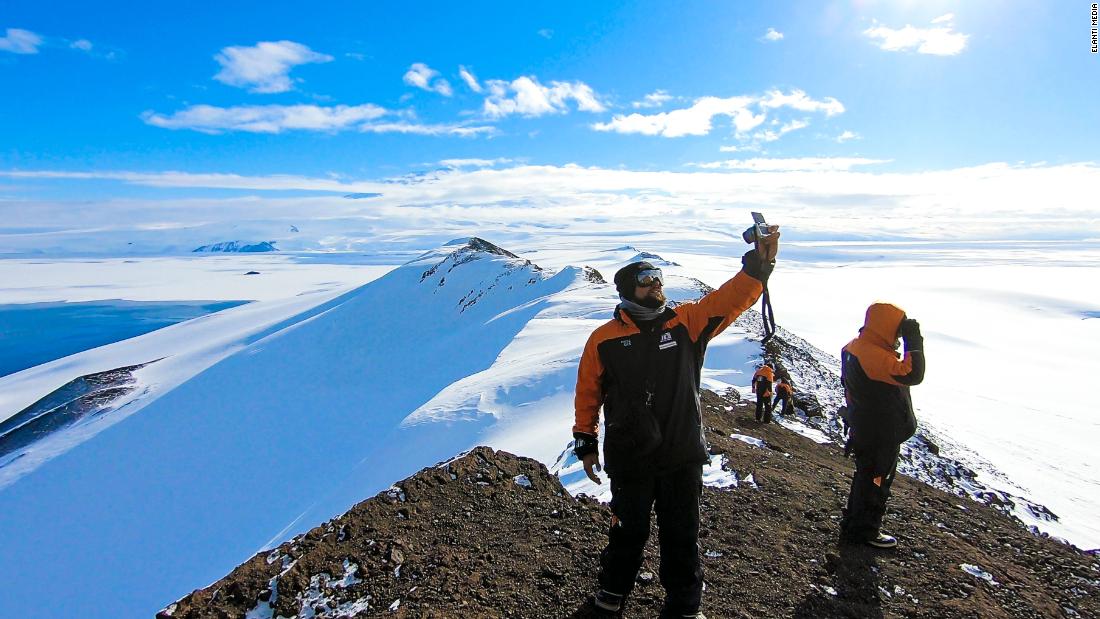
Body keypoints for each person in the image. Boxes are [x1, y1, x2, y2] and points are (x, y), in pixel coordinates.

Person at [572, 229, 779, 618]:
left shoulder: (686, 321)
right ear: (627, 290)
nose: (656, 286)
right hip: (631, 454)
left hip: (681, 451)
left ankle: (684, 605)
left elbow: (731, 300)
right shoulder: (603, 339)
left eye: (658, 279)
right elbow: (587, 394)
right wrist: (585, 441)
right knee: (627, 531)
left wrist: (759, 265)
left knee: (682, 533)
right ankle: (611, 593)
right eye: (646, 280)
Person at [839, 303, 925, 549]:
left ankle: (854, 524)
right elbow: (913, 374)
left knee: (865, 476)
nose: (898, 336)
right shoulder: (874, 356)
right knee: (876, 480)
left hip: (865, 426)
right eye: (897, 330)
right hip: (880, 432)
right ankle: (865, 532)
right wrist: (914, 340)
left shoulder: (855, 347)